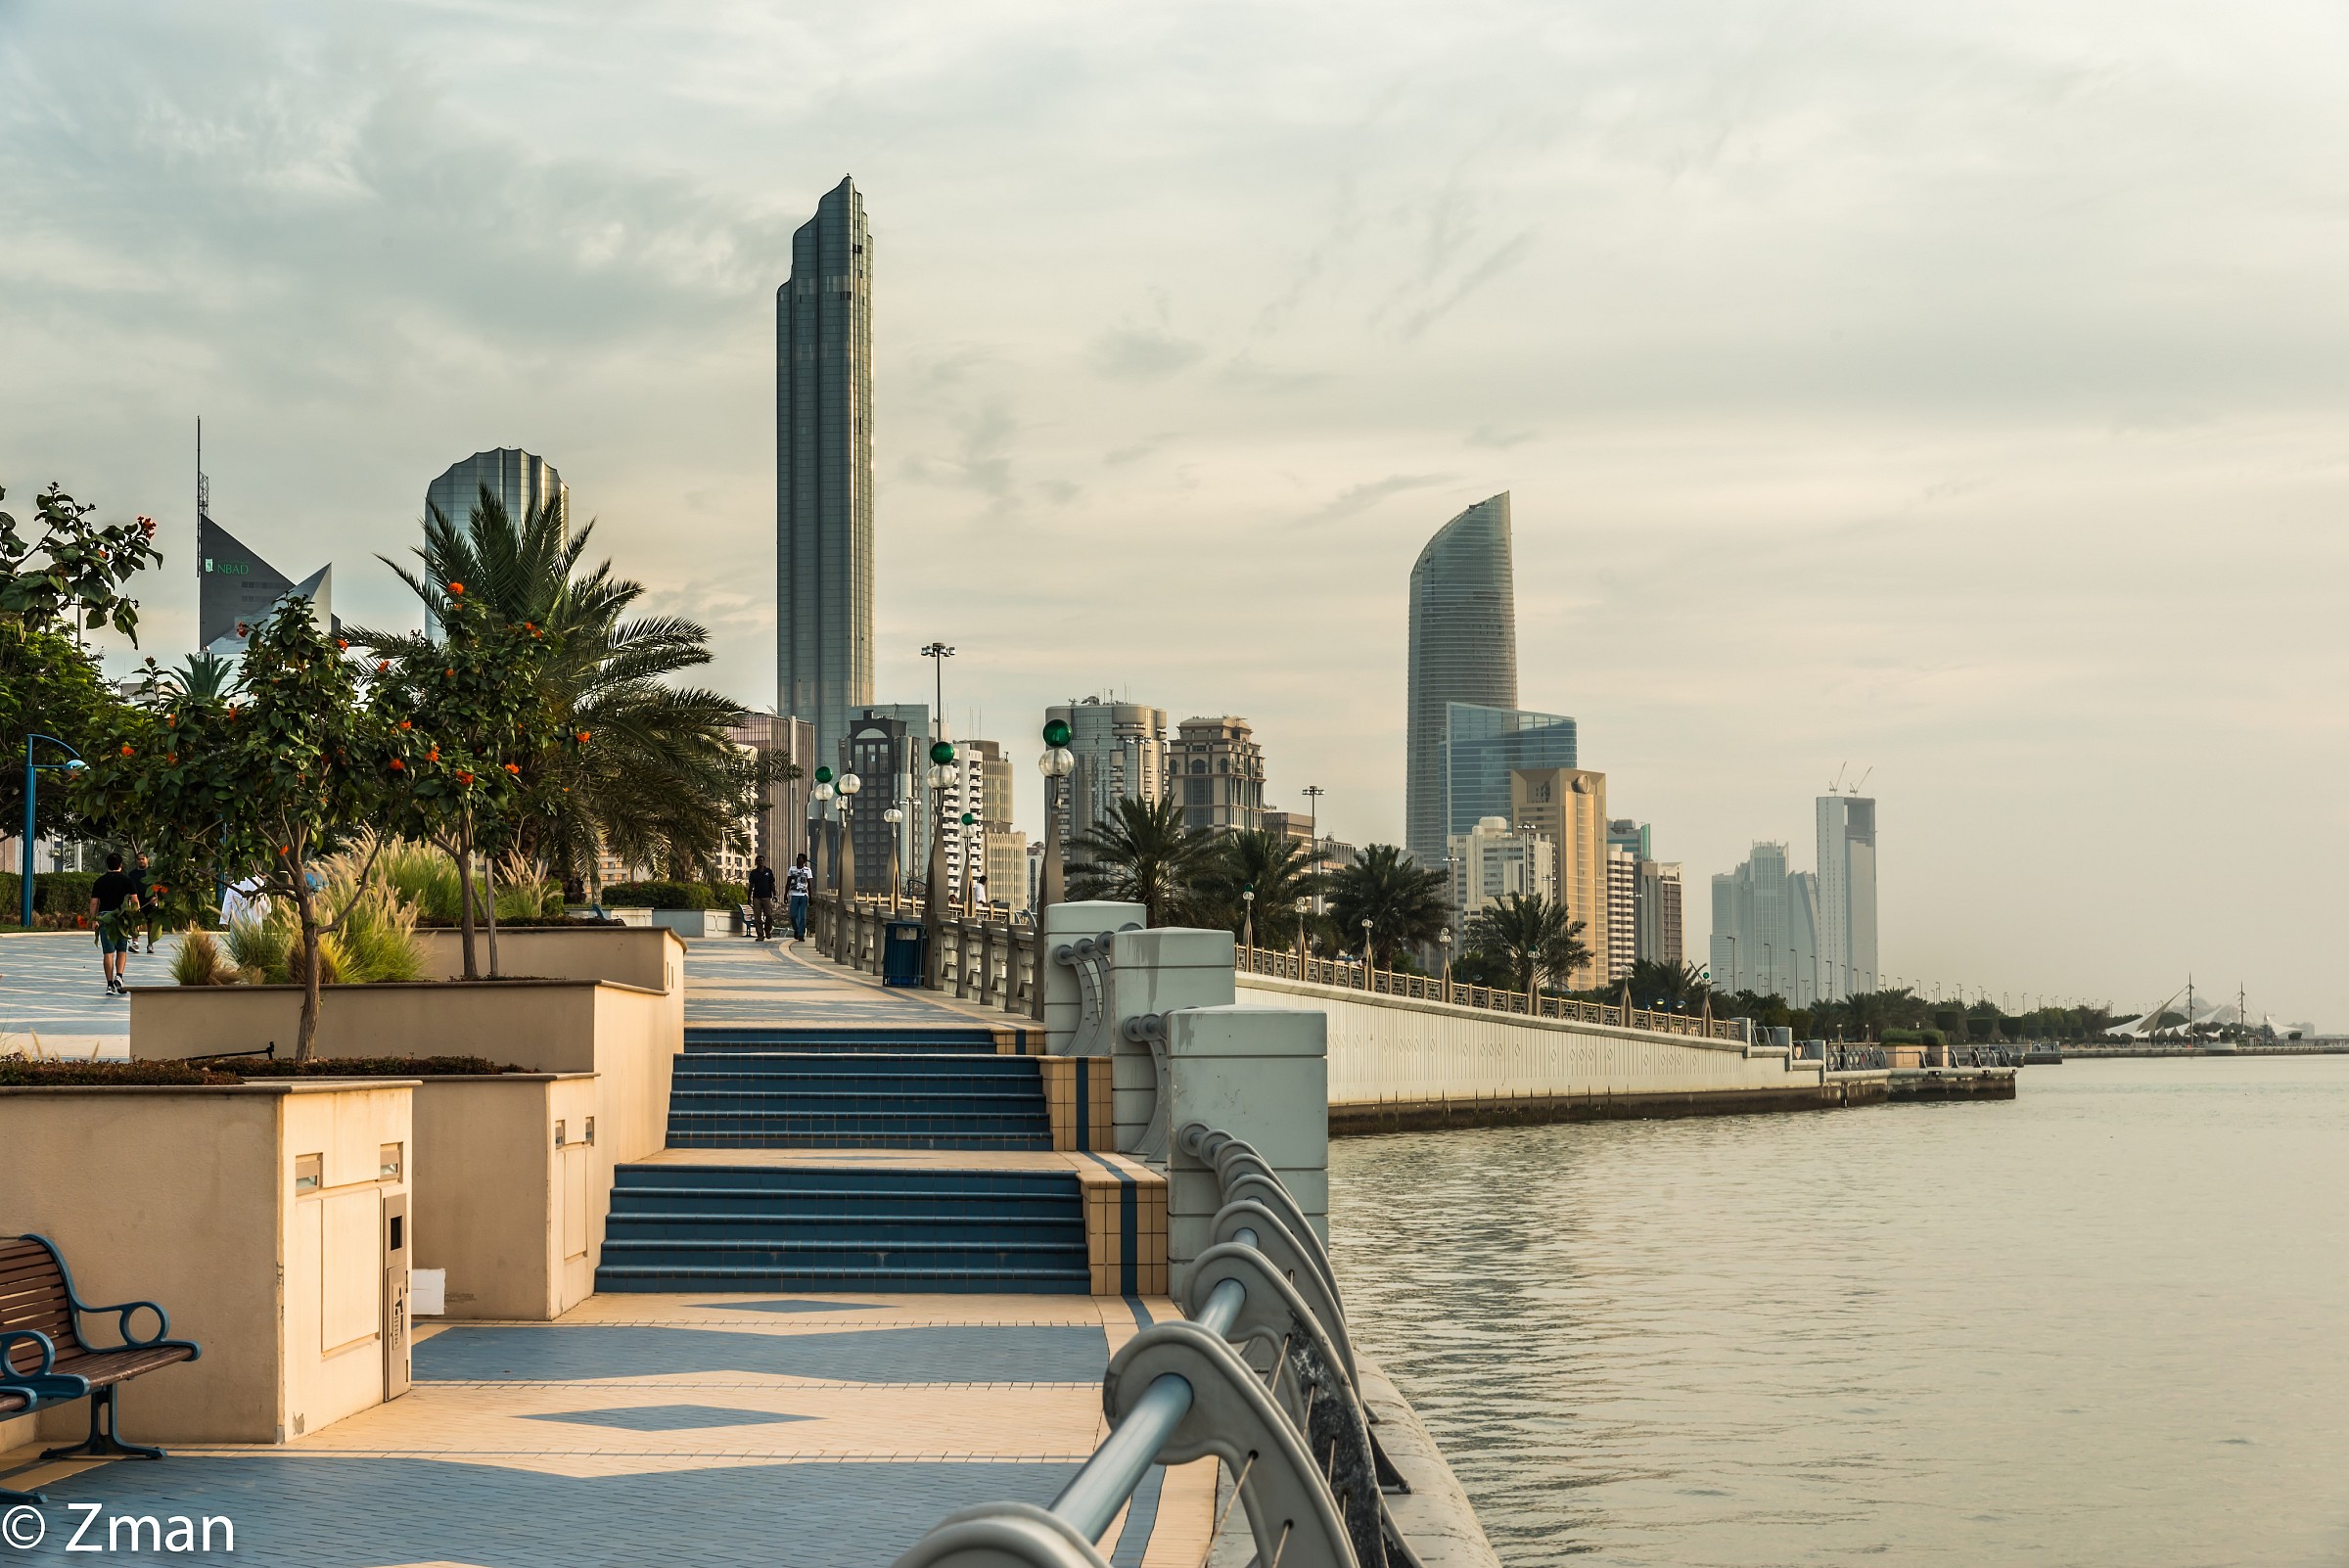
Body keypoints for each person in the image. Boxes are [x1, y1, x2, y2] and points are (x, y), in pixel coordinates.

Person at [89, 853, 141, 995]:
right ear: (121, 865)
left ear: (107, 865)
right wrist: (135, 917)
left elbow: (94, 903)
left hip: (105, 917)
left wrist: (93, 919)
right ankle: (120, 976)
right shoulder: (128, 880)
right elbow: (135, 902)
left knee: (108, 952)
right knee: (122, 949)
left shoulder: (100, 881)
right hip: (122, 918)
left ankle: (110, 985)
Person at [747, 857, 778, 942]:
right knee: (758, 918)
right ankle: (760, 935)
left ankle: (767, 930)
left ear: (763, 862)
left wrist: (775, 894)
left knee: (769, 916)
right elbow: (751, 885)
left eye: (762, 861)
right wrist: (748, 897)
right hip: (756, 897)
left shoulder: (768, 871)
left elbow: (772, 884)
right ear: (756, 862)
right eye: (759, 861)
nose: (760, 862)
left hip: (767, 897)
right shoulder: (753, 873)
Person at [784, 853, 812, 942]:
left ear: (804, 860)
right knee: (793, 915)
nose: (798, 860)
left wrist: (810, 897)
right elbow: (788, 882)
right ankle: (796, 929)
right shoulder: (792, 869)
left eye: (800, 858)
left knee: (802, 916)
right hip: (794, 894)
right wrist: (786, 894)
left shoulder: (808, 870)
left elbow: (810, 884)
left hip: (803, 895)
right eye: (797, 858)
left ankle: (801, 934)